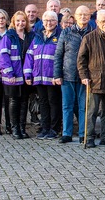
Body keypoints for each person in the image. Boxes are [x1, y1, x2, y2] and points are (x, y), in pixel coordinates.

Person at [78, 9, 105, 148]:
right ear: (97, 22)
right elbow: (81, 59)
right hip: (94, 81)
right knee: (91, 112)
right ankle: (89, 137)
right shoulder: (89, 38)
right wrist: (84, 76)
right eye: (103, 21)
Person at [54, 5, 93, 144]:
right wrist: (57, 74)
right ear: (75, 17)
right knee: (67, 106)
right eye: (80, 14)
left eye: (86, 14)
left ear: (89, 16)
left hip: (86, 77)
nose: (83, 17)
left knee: (84, 107)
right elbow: (58, 55)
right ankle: (67, 133)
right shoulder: (66, 33)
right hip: (68, 74)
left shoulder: (92, 32)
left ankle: (83, 133)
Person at [24, 10, 62, 139]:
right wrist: (28, 75)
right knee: (43, 103)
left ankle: (54, 128)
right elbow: (29, 56)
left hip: (52, 78)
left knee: (54, 102)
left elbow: (62, 57)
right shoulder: (37, 37)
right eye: (46, 20)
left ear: (56, 22)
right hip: (39, 77)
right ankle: (45, 128)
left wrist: (58, 75)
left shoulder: (60, 36)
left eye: (51, 20)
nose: (48, 23)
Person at [0, 10, 34, 139]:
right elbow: (3, 56)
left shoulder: (30, 36)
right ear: (13, 22)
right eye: (18, 21)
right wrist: (9, 73)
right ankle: (14, 129)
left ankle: (22, 128)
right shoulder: (8, 36)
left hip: (25, 75)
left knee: (24, 101)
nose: (21, 23)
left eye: (23, 20)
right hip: (13, 76)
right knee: (14, 101)